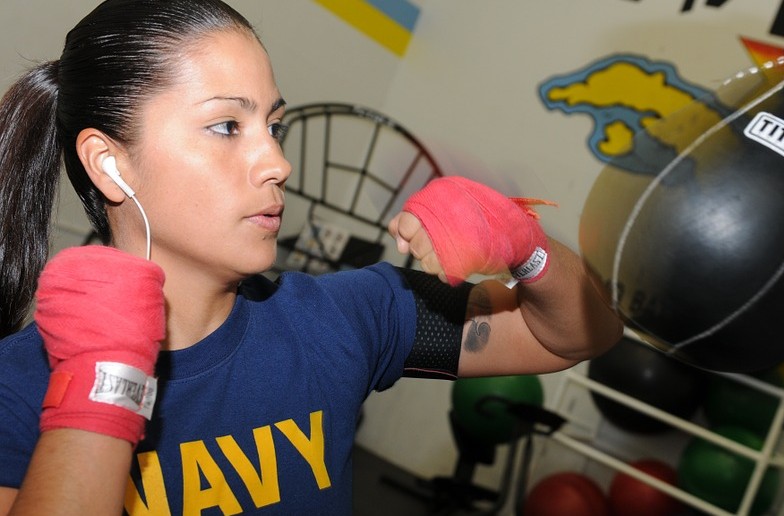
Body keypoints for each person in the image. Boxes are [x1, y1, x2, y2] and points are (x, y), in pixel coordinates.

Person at [0, 0, 623, 514]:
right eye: (226, 127)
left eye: (276, 126)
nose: (278, 163)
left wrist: (526, 246)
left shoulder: (343, 319)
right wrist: (100, 388)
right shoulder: (17, 387)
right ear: (111, 164)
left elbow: (576, 336)